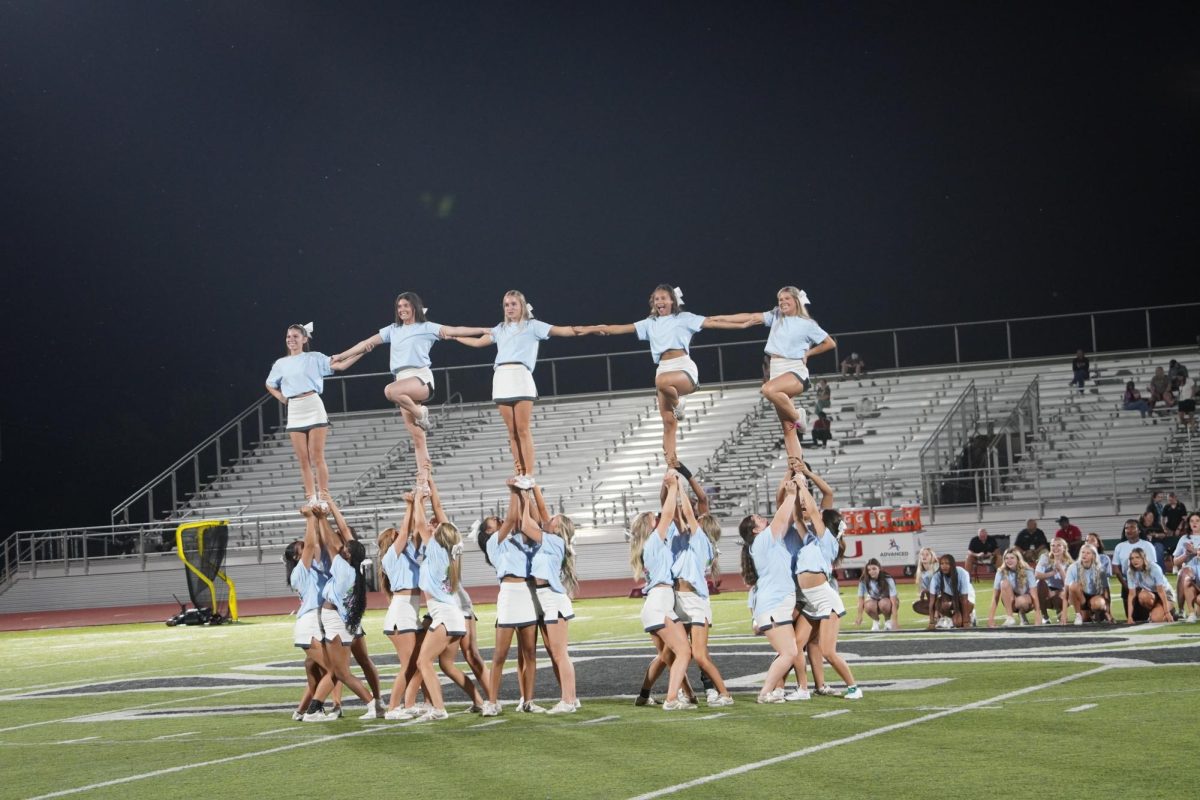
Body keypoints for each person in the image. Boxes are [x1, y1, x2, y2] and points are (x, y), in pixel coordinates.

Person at [574, 285, 750, 468]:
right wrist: (589, 329)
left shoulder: (684, 318)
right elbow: (614, 329)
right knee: (668, 422)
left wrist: (741, 325)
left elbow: (713, 321)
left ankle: (679, 403)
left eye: (663, 298)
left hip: (683, 368)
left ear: (672, 300)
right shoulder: (649, 323)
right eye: (656, 299)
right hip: (663, 367)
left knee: (661, 382)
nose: (660, 302)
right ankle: (672, 466)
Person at [332, 293, 489, 487]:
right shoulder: (393, 330)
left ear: (414, 307)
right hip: (402, 380)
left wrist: (485, 329)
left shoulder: (426, 327)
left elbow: (456, 330)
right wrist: (340, 355)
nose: (402, 310)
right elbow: (365, 343)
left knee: (390, 391)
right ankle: (424, 477)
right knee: (417, 437)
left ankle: (420, 412)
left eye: (405, 305)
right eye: (399, 307)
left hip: (420, 378)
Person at [447, 290, 581, 487]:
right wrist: (455, 337)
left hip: (521, 375)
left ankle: (529, 474)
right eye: (506, 305)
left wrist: (585, 329)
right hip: (501, 377)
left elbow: (562, 330)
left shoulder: (533, 326)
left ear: (522, 306)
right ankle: (519, 472)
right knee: (511, 431)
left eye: (513, 304)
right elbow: (477, 342)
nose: (510, 308)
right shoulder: (500, 328)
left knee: (523, 429)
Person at [700, 287, 837, 462]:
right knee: (788, 428)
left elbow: (829, 343)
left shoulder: (807, 324)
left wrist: (808, 353)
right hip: (776, 369)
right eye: (780, 299)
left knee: (768, 390)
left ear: (796, 300)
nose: (782, 302)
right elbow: (750, 316)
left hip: (795, 370)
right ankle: (797, 468)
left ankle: (799, 416)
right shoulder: (776, 316)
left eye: (787, 298)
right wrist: (719, 318)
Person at [265, 323, 366, 509]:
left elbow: (341, 365)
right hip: (294, 409)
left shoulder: (314, 357)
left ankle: (324, 495)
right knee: (303, 458)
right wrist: (281, 397)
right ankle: (311, 497)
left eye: (295, 336)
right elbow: (269, 384)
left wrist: (362, 351)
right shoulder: (280, 363)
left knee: (316, 456)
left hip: (313, 404)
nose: (291, 340)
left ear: (304, 339)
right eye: (288, 336)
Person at [630, 472, 695, 710]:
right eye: (653, 518)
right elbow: (667, 513)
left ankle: (676, 695)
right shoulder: (654, 542)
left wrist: (668, 486)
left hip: (661, 602)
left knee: (671, 654)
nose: (659, 519)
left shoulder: (657, 543)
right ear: (649, 526)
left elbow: (665, 509)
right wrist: (674, 488)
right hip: (659, 602)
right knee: (683, 652)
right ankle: (671, 699)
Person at [518, 486, 581, 714]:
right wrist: (533, 490)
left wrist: (525, 498)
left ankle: (568, 700)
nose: (548, 519)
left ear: (558, 527)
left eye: (553, 519)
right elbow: (541, 513)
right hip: (547, 598)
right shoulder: (553, 541)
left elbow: (526, 524)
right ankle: (571, 699)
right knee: (557, 653)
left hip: (552, 600)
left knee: (559, 653)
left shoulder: (554, 541)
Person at [481, 481, 542, 715]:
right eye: (493, 522)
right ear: (488, 531)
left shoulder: (519, 537)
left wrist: (524, 493)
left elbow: (526, 520)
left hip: (527, 593)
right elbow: (510, 519)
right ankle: (492, 701)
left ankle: (528, 700)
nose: (499, 521)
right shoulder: (494, 543)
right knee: (500, 654)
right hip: (508, 594)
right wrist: (514, 492)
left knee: (529, 653)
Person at [1112, 519, 1158, 621]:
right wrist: (1126, 585)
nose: (1129, 530)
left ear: (1139, 530)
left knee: (1146, 616)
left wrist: (1142, 585)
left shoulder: (1147, 545)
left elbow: (1152, 567)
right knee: (1134, 617)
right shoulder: (1119, 546)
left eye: (1132, 527)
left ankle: (1159, 610)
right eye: (1126, 528)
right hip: (1127, 582)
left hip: (1145, 583)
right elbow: (1116, 568)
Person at [986, 549, 1042, 627]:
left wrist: (1038, 615)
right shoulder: (1000, 571)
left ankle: (1022, 614)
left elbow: (1034, 595)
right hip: (1011, 603)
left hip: (1027, 602)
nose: (1009, 560)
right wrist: (991, 618)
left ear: (1018, 559)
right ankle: (1010, 618)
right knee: (1004, 583)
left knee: (1022, 600)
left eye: (1012, 558)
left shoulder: (1028, 571)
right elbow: (995, 597)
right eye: (1006, 558)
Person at [1067, 544, 1113, 624]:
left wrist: (1108, 613)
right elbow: (1067, 589)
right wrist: (1064, 613)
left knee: (1098, 604)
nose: (1084, 555)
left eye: (1088, 553)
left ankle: (1094, 612)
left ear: (1093, 556)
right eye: (1083, 552)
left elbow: (1106, 592)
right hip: (1081, 597)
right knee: (1073, 585)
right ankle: (1078, 615)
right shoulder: (1073, 567)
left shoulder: (1100, 569)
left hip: (1095, 596)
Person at [1125, 548, 1172, 624]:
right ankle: (1155, 611)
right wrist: (1130, 617)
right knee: (1142, 596)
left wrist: (1167, 612)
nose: (1134, 560)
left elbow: (1161, 591)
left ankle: (1170, 611)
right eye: (1132, 558)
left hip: (1166, 594)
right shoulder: (1130, 572)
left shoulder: (1154, 568)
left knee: (1157, 619)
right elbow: (1131, 595)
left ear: (1143, 558)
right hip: (1152, 595)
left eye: (1137, 557)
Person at [928, 554, 975, 629]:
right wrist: (931, 622)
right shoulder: (936, 577)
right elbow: (931, 602)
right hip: (951, 596)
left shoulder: (962, 573)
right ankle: (950, 618)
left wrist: (966, 622)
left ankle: (970, 616)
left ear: (952, 565)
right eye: (942, 564)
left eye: (947, 563)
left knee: (960, 623)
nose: (944, 566)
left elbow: (964, 600)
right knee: (941, 604)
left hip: (966, 598)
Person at [1034, 538, 1073, 624]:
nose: (1055, 548)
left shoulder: (1069, 562)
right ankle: (1045, 616)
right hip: (1047, 591)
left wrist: (1060, 569)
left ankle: (1060, 611)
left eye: (1059, 545)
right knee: (1040, 583)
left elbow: (1068, 584)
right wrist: (1053, 572)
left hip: (1062, 591)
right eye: (1053, 545)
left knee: (1060, 595)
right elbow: (1037, 575)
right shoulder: (1045, 557)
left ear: (1064, 548)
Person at [1171, 512, 1200, 623]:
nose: (1194, 523)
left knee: (1198, 600)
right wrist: (1186, 554)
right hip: (1190, 571)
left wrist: (1195, 551)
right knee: (1185, 574)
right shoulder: (1184, 538)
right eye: (1192, 521)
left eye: (1197, 520)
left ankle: (1188, 609)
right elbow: (1175, 561)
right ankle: (1190, 612)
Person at [854, 558, 898, 631]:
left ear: (879, 568)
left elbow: (893, 601)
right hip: (873, 601)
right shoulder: (863, 580)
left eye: (874, 569)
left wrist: (895, 620)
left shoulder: (888, 579)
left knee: (884, 603)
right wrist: (859, 616)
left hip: (887, 602)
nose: (871, 572)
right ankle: (875, 621)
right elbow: (861, 600)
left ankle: (887, 622)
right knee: (868, 605)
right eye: (869, 570)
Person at [912, 546, 940, 616]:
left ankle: (940, 614)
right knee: (917, 605)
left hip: (944, 596)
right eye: (922, 554)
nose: (924, 556)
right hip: (933, 597)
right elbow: (923, 591)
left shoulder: (937, 567)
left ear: (932, 557)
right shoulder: (921, 573)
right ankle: (934, 615)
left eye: (927, 554)